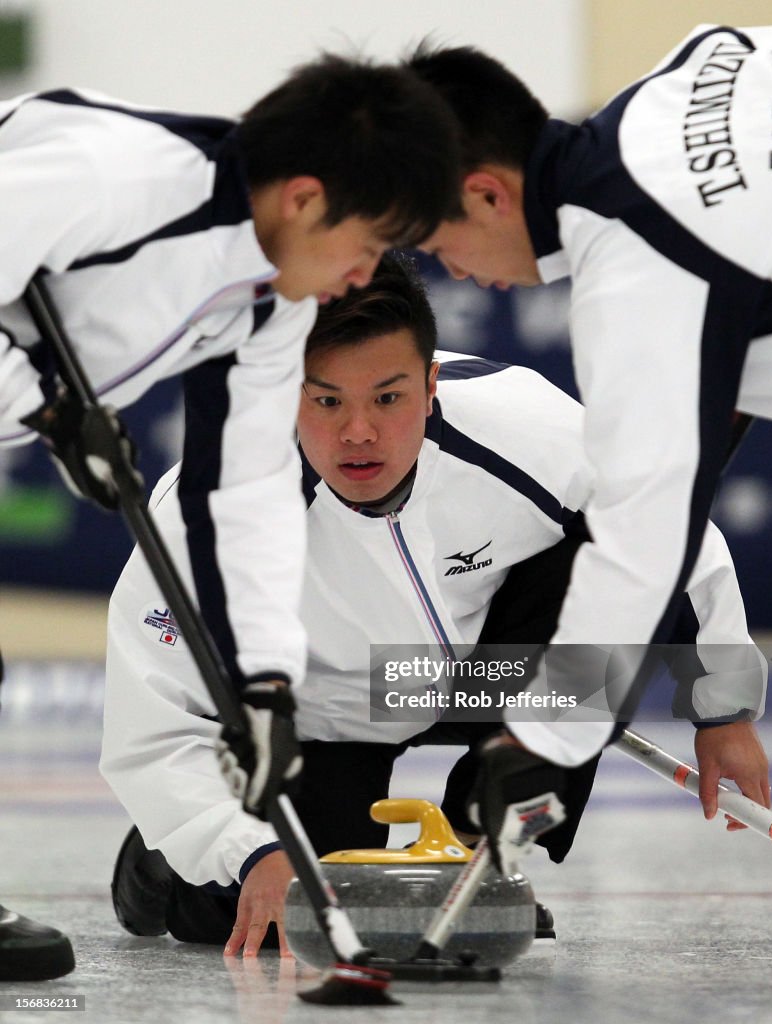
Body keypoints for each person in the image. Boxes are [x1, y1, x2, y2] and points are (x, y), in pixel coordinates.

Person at [101, 254, 768, 958]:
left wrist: (722, 709)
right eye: (326, 401)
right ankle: (157, 865)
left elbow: (667, 531)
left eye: (388, 398)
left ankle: (480, 857)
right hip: (320, 712)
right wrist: (248, 852)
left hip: (484, 678)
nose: (358, 432)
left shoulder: (526, 430)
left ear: (430, 384)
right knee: (285, 915)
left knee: (606, 588)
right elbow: (155, 728)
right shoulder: (209, 508)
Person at [0, 58, 460, 980]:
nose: (365, 275)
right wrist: (45, 393)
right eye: (367, 245)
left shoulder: (274, 305)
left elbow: (240, 496)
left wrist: (263, 689)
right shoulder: (110, 174)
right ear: (303, 197)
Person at [406, 24, 772, 873]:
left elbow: (642, 544)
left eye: (439, 244)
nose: (456, 274)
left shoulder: (636, 285)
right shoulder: (693, 64)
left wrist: (538, 738)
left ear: (488, 194)